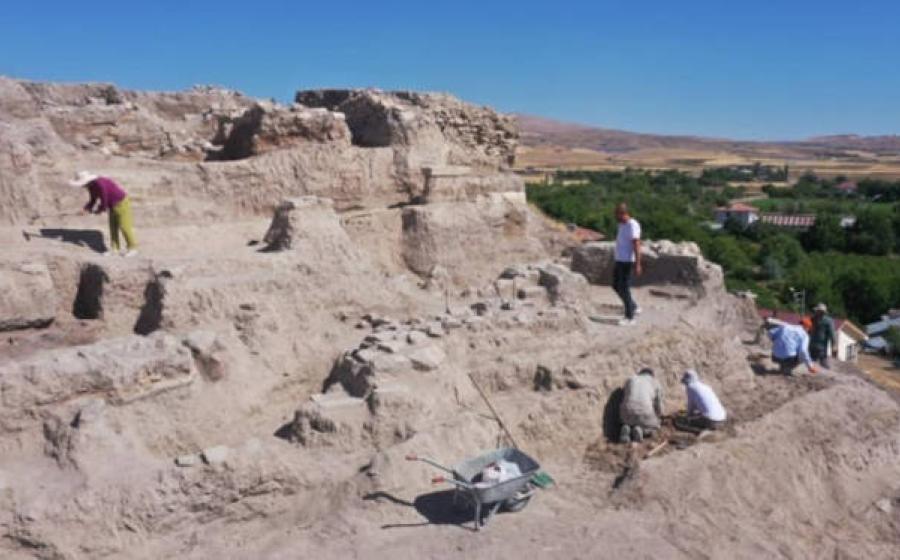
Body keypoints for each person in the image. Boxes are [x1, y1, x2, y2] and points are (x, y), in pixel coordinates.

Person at [69, 171, 138, 257]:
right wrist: (85, 209)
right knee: (113, 228)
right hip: (112, 205)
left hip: (122, 203)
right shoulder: (91, 186)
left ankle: (132, 248)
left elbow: (104, 199)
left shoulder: (100, 183)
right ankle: (114, 249)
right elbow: (93, 200)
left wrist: (99, 210)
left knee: (124, 227)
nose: (82, 186)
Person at [613, 202, 642, 326]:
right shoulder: (621, 225)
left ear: (623, 213)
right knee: (615, 285)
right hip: (619, 259)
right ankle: (633, 306)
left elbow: (636, 244)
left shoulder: (632, 225)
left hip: (628, 261)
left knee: (624, 288)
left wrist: (638, 264)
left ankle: (629, 317)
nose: (615, 217)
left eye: (617, 214)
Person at [619, 368, 662, 443]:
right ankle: (642, 430)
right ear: (652, 375)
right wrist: (658, 417)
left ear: (640, 373)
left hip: (626, 413)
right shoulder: (655, 382)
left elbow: (625, 396)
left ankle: (627, 427)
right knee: (655, 425)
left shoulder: (630, 379)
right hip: (645, 413)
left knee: (629, 420)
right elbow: (658, 404)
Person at [809, 303, 836, 368]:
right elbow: (808, 331)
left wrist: (834, 346)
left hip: (821, 347)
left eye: (818, 311)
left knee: (821, 363)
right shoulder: (812, 319)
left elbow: (832, 334)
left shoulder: (828, 321)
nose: (817, 312)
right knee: (813, 363)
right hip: (813, 346)